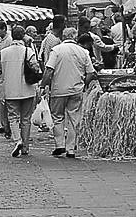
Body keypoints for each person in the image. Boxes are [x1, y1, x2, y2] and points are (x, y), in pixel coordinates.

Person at [40, 27, 95, 158]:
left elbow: (49, 70)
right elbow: (91, 73)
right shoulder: (83, 52)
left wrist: (43, 85)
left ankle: (60, 144)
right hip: (76, 89)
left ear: (64, 36)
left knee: (57, 117)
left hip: (58, 89)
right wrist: (84, 85)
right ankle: (71, 149)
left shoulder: (57, 50)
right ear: (75, 37)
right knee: (74, 118)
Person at [0, 25, 40, 157]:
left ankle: (17, 140)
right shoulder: (28, 51)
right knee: (26, 118)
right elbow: (36, 68)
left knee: (13, 117)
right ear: (23, 36)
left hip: (10, 90)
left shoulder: (3, 52)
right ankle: (25, 147)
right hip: (27, 89)